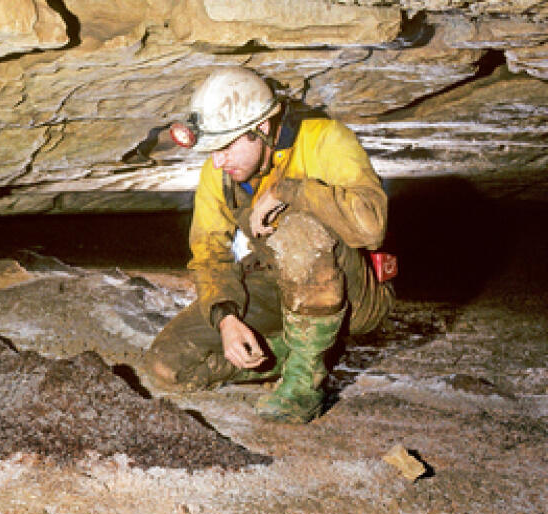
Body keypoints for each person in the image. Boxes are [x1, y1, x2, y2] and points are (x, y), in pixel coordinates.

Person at [144, 66, 394, 424]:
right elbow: (209, 251)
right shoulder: (220, 172)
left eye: (226, 146)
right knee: (168, 365)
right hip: (278, 280)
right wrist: (226, 317)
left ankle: (304, 384)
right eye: (212, 149)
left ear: (261, 129)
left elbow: (371, 226)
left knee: (297, 228)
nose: (217, 161)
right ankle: (296, 350)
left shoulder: (325, 139)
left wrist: (288, 190)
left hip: (354, 294)